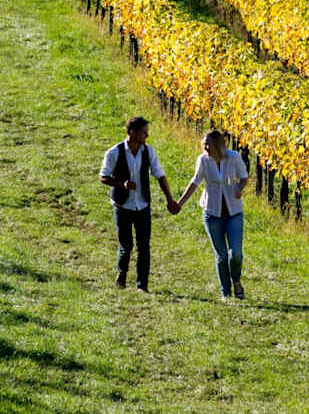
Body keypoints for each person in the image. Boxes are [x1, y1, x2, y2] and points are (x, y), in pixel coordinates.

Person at [99, 116, 178, 292]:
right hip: (123, 205)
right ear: (132, 133)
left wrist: (169, 199)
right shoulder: (115, 152)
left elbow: (160, 175)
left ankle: (142, 284)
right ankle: (122, 273)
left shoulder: (148, 152)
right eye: (144, 133)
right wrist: (122, 184)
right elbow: (103, 177)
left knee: (144, 246)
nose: (147, 136)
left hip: (142, 205)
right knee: (126, 244)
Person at [173, 130, 249, 300]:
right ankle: (226, 293)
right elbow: (195, 182)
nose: (206, 147)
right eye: (204, 143)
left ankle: (236, 281)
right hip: (212, 213)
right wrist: (179, 203)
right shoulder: (203, 160)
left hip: (234, 212)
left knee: (236, 253)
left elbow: (244, 177)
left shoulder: (234, 157)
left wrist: (239, 188)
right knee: (221, 255)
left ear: (219, 144)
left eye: (210, 144)